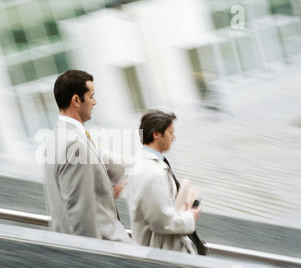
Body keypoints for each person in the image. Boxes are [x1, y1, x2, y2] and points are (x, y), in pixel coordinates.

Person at [43, 69, 133, 243]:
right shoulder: (74, 144)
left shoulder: (55, 137)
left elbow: (71, 196)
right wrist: (94, 261)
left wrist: (104, 193)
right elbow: (79, 214)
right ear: (76, 100)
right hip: (107, 247)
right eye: (91, 96)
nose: (95, 102)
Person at [125, 109, 203, 254]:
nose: (174, 138)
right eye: (171, 133)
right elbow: (162, 221)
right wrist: (190, 217)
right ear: (156, 135)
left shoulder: (139, 164)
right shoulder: (154, 173)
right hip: (161, 253)